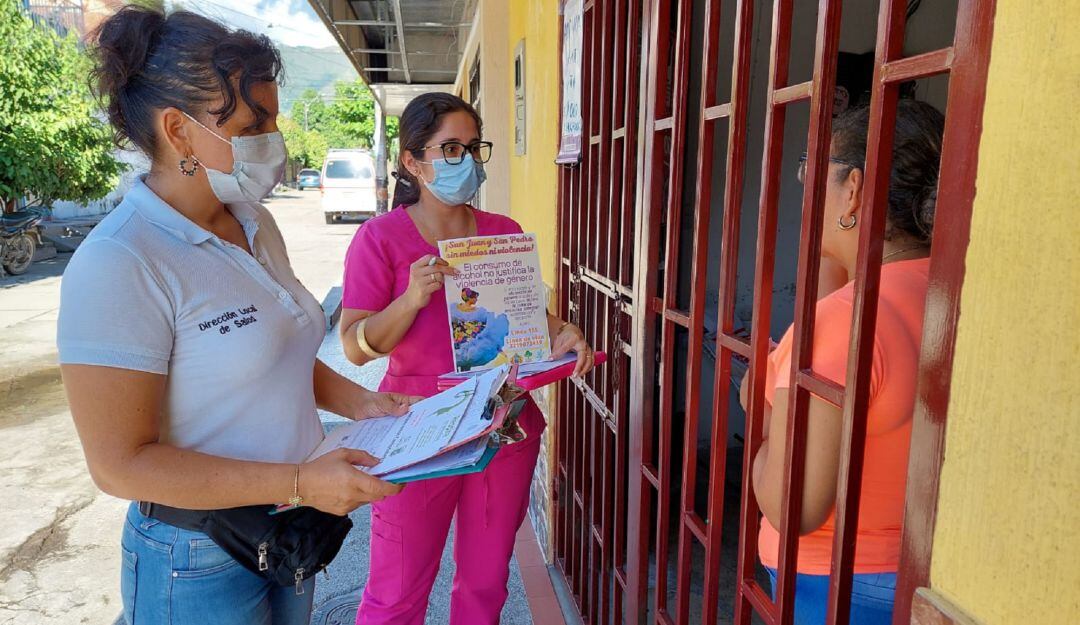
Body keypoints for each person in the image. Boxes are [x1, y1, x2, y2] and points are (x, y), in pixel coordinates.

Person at [58, 7, 413, 624]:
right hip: (197, 553)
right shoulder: (123, 260)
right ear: (180, 130)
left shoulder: (253, 220)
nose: (274, 137)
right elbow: (119, 464)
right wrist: (303, 482)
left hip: (289, 527)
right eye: (256, 122)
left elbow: (276, 354)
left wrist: (363, 404)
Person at [339, 92, 595, 625]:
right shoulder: (380, 239)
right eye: (449, 148)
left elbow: (525, 322)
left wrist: (563, 331)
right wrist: (411, 299)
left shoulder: (502, 232)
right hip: (419, 431)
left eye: (473, 148)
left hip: (504, 423)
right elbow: (354, 345)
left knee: (484, 583)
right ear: (413, 161)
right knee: (397, 590)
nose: (466, 161)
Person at [747, 99, 945, 624]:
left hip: (834, 586)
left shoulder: (842, 325)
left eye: (813, 173)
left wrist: (765, 415)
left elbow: (792, 509)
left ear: (853, 188)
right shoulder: (944, 291)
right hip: (921, 573)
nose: (804, 190)